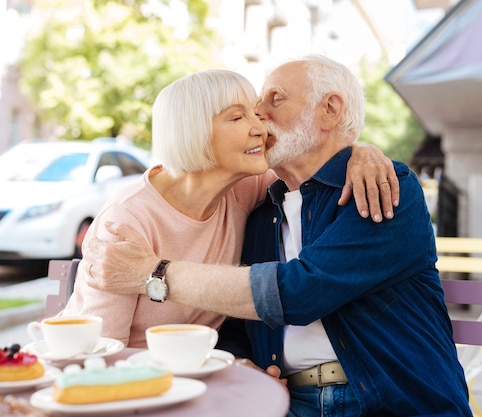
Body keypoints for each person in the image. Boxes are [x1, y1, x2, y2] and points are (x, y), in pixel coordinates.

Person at [81, 55, 471, 416]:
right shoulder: (257, 203)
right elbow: (230, 322)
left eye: (274, 100)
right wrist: (237, 359)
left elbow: (300, 292)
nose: (260, 118)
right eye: (246, 113)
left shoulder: (383, 189)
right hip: (281, 400)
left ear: (330, 110)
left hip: (393, 398)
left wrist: (155, 273)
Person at [60, 69, 397, 349]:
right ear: (194, 131)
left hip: (195, 379)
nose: (260, 127)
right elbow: (101, 353)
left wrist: (359, 151)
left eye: (255, 113)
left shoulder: (244, 189)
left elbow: (313, 160)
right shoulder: (126, 220)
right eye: (238, 117)